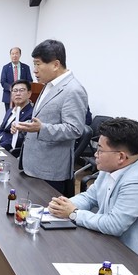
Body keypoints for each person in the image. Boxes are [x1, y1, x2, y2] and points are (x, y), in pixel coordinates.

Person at [48, 118, 138, 275]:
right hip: (112, 248)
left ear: (121, 157)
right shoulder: (111, 167)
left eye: (100, 150)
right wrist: (63, 204)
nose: (95, 154)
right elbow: (90, 197)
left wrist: (74, 213)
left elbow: (114, 225)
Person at [15, 39, 88, 196]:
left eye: (38, 64)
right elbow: (44, 118)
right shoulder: (48, 85)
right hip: (32, 164)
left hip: (50, 170)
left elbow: (75, 129)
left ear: (55, 64)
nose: (35, 70)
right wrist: (26, 125)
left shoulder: (73, 90)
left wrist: (41, 128)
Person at [0, 79, 34, 156]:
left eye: (21, 90)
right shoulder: (10, 111)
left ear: (29, 94)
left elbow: (19, 140)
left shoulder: (31, 113)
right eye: (15, 91)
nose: (18, 93)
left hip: (9, 152)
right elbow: (1, 130)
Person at [0, 47, 32, 111]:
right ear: (10, 55)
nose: (14, 55)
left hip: (22, 95)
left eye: (16, 53)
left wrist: (23, 89)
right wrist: (12, 89)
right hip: (9, 96)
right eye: (13, 54)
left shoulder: (26, 67)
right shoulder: (5, 67)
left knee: (22, 113)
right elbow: (3, 81)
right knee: (9, 114)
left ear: (20, 55)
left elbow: (29, 80)